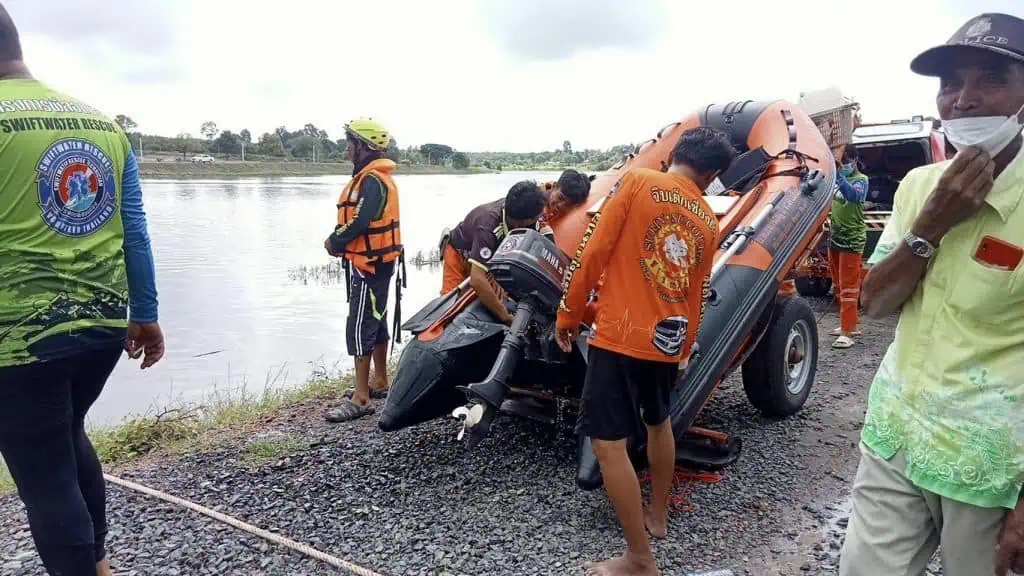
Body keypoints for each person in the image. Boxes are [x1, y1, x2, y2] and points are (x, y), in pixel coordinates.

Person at [839, 13, 1024, 576]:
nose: (964, 99)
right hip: (896, 432)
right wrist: (931, 226)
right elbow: (874, 301)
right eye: (950, 84)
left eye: (989, 79)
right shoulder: (921, 186)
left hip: (991, 465)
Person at [0, 5, 164, 575]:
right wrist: (145, 312)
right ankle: (98, 564)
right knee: (66, 435)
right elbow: (135, 229)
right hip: (101, 328)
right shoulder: (101, 123)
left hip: (19, 340)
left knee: (44, 477)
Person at [554, 126, 734, 576]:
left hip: (620, 335)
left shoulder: (638, 183)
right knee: (658, 423)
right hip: (668, 340)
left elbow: (592, 253)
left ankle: (638, 559)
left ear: (672, 153)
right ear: (711, 175)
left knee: (608, 443)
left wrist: (568, 313)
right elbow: (698, 290)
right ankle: (657, 516)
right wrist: (687, 343)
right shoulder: (708, 220)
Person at [324, 118, 404, 423]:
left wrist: (334, 241)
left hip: (369, 266)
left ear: (366, 146)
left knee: (360, 326)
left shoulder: (372, 181)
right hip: (379, 264)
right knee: (377, 320)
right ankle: (380, 381)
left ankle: (360, 398)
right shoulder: (375, 178)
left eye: (351, 142)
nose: (347, 147)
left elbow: (359, 221)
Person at [438, 180, 546, 324]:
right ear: (524, 221)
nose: (540, 218)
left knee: (497, 296)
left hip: (488, 257)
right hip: (459, 254)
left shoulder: (519, 211)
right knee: (450, 308)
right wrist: (505, 317)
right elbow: (477, 279)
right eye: (537, 217)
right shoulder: (488, 225)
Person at [827, 144, 869, 349]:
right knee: (838, 284)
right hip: (836, 237)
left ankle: (848, 332)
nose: (841, 166)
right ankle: (847, 323)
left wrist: (839, 178)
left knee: (849, 287)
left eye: (844, 163)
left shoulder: (861, 180)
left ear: (853, 161)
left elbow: (853, 196)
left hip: (852, 240)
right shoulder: (837, 180)